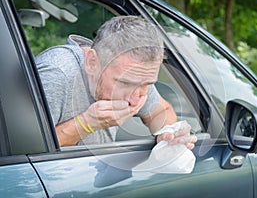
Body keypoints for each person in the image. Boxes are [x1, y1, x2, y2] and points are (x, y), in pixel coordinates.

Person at [35, 15, 197, 149]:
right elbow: (22, 152)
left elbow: (160, 112)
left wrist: (168, 134)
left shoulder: (136, 77)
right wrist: (86, 124)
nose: (134, 100)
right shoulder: (57, 73)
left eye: (147, 84)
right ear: (92, 62)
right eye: (125, 83)